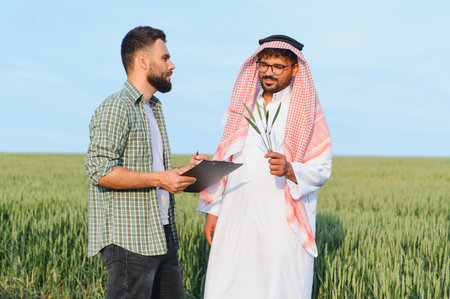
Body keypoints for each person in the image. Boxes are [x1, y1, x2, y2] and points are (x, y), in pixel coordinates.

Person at [197, 35, 332, 298]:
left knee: (277, 285)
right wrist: (214, 210)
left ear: (295, 69)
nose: (269, 72)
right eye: (264, 64)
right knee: (228, 282)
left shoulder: (306, 112)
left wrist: (290, 168)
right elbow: (227, 157)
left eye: (278, 66)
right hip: (236, 212)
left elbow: (322, 166)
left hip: (280, 220)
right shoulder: (244, 105)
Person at [85, 26, 208, 298]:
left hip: (161, 234)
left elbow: (153, 172)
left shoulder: (152, 109)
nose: (171, 65)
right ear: (142, 60)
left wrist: (181, 172)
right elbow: (99, 171)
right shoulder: (117, 107)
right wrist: (161, 178)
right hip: (130, 242)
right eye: (165, 58)